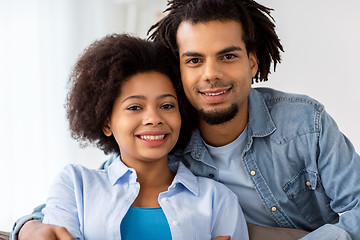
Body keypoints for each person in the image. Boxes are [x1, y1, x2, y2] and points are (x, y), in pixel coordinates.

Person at [11, 0, 360, 239]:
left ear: (252, 63)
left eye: (227, 56)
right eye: (194, 60)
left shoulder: (304, 123)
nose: (211, 74)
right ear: (178, 69)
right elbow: (91, 188)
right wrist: (28, 227)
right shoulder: (167, 137)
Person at [17, 33, 249, 240]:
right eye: (135, 107)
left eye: (167, 105)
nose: (154, 118)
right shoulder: (75, 185)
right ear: (106, 122)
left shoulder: (217, 200)